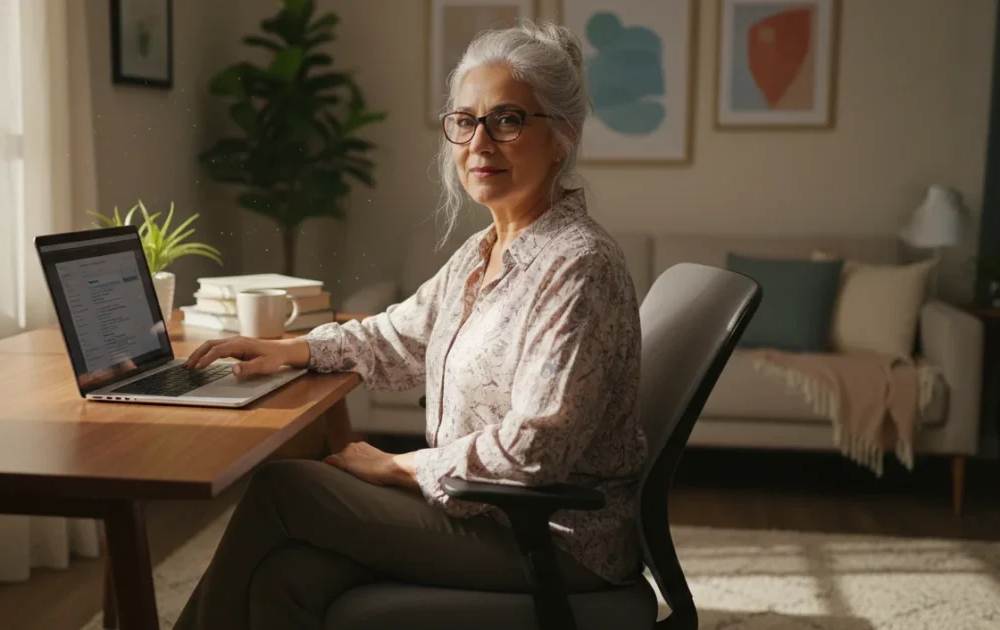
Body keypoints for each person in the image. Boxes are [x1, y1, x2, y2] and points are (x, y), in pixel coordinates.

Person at [174, 20, 646, 630]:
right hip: (484, 511)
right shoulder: (485, 250)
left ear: (562, 136)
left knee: (283, 490)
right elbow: (400, 335)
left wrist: (398, 466)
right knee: (285, 579)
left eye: (506, 120)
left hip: (552, 537)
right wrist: (291, 348)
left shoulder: (577, 265)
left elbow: (537, 449)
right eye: (465, 121)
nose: (479, 142)